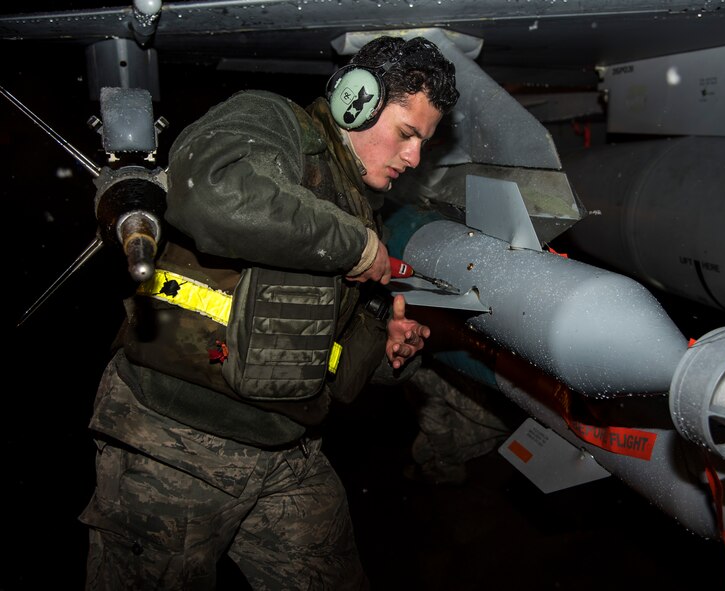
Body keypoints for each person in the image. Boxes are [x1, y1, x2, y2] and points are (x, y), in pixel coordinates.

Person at [78, 35, 459, 590]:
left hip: (286, 450)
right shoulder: (278, 124)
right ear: (357, 99)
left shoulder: (358, 212)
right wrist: (354, 246)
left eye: (425, 143)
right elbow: (207, 190)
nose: (414, 158)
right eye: (407, 134)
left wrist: (385, 342)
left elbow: (331, 368)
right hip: (179, 440)